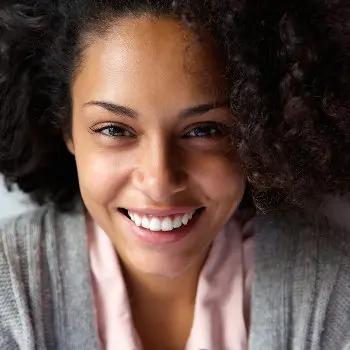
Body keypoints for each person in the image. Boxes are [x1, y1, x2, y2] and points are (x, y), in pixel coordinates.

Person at [0, 0, 350, 349]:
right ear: (67, 129)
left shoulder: (331, 291)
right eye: (114, 130)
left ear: (259, 128)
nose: (159, 181)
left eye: (204, 131)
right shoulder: (10, 289)